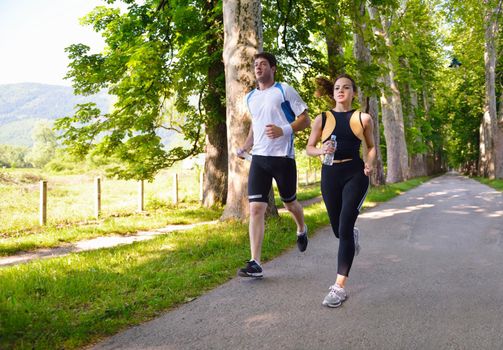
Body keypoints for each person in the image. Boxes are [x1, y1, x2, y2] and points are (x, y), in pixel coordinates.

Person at [237, 52, 311, 278]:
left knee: (290, 204)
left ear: (273, 68)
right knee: (256, 208)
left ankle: (301, 228)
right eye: (256, 65)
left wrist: (284, 130)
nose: (258, 68)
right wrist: (246, 146)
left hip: (283, 157)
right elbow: (255, 127)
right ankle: (255, 263)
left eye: (263, 64)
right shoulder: (250, 97)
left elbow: (305, 119)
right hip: (259, 158)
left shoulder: (284, 90)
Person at [306, 74, 376, 307]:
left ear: (353, 92)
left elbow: (371, 146)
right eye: (337, 87)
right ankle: (350, 234)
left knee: (344, 227)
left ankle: (338, 288)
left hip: (355, 174)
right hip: (330, 174)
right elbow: (309, 147)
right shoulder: (322, 118)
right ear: (333, 92)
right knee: (338, 230)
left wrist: (370, 162)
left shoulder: (363, 118)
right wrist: (321, 150)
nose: (341, 91)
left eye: (346, 87)